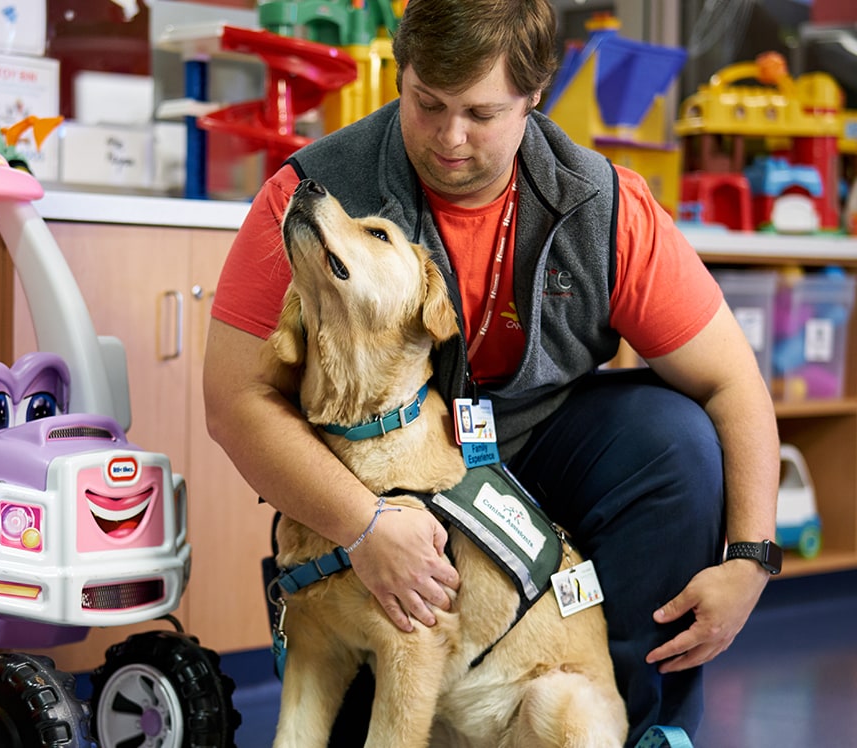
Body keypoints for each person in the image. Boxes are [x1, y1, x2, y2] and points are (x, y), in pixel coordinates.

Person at [201, 0, 780, 744]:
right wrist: (363, 526)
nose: (449, 137)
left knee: (674, 439)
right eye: (427, 103)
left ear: (534, 97)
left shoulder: (604, 206)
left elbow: (734, 382)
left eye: (481, 113)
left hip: (539, 446)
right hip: (381, 467)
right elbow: (234, 400)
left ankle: (639, 728)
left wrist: (750, 558)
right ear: (401, 76)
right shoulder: (312, 195)